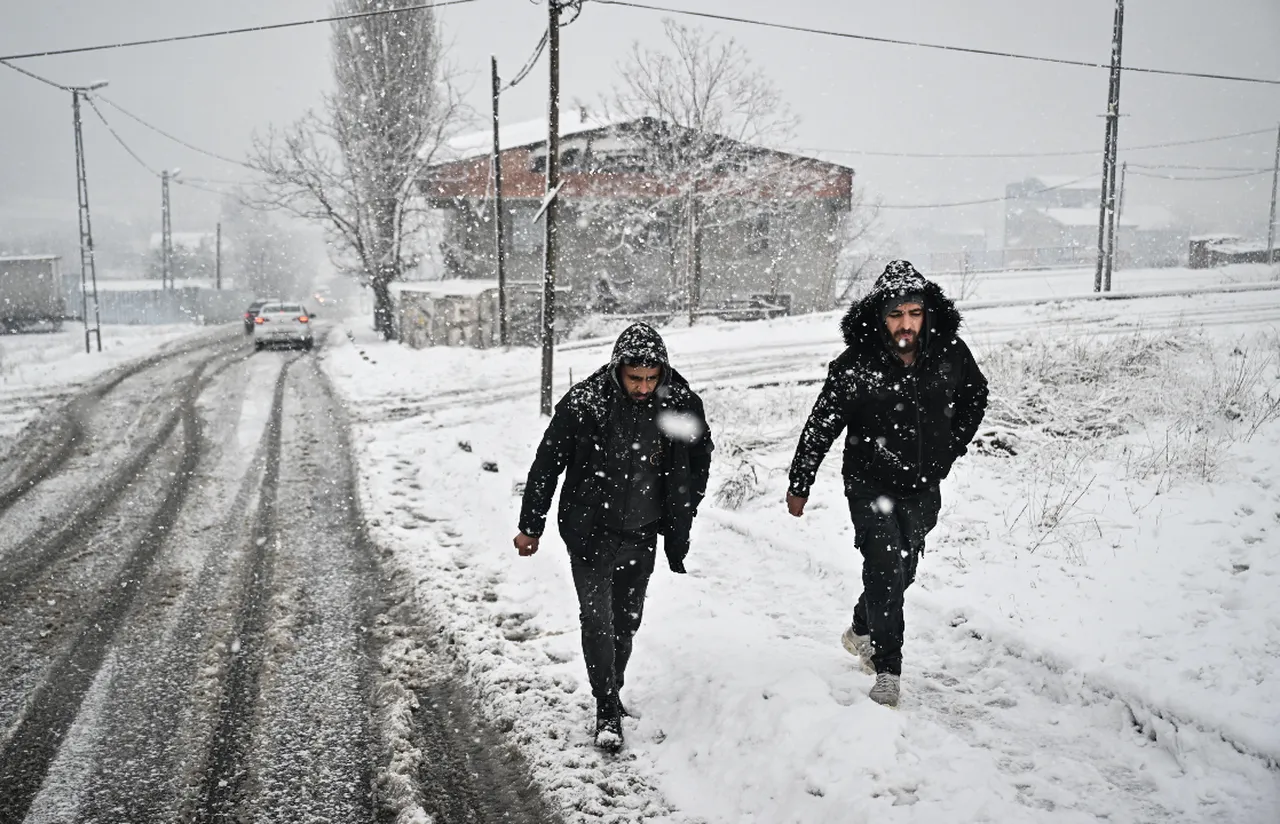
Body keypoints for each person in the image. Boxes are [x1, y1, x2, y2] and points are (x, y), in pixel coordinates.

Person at [786, 260, 988, 708]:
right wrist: (801, 481)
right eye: (896, 314)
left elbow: (976, 397)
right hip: (868, 482)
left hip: (922, 485)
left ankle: (862, 627)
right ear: (880, 316)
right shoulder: (856, 364)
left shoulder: (950, 353)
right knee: (884, 567)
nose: (906, 323)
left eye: (914, 313)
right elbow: (822, 424)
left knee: (902, 570)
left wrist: (950, 447)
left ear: (927, 314)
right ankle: (887, 669)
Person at [514, 322, 713, 751]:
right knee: (597, 621)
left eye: (651, 378)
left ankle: (612, 685)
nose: (643, 387)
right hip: (591, 533)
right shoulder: (586, 403)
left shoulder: (679, 402)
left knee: (627, 621)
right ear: (617, 369)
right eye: (634, 378)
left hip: (642, 533)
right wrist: (531, 524)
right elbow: (547, 463)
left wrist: (683, 508)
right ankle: (606, 705)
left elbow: (699, 458)